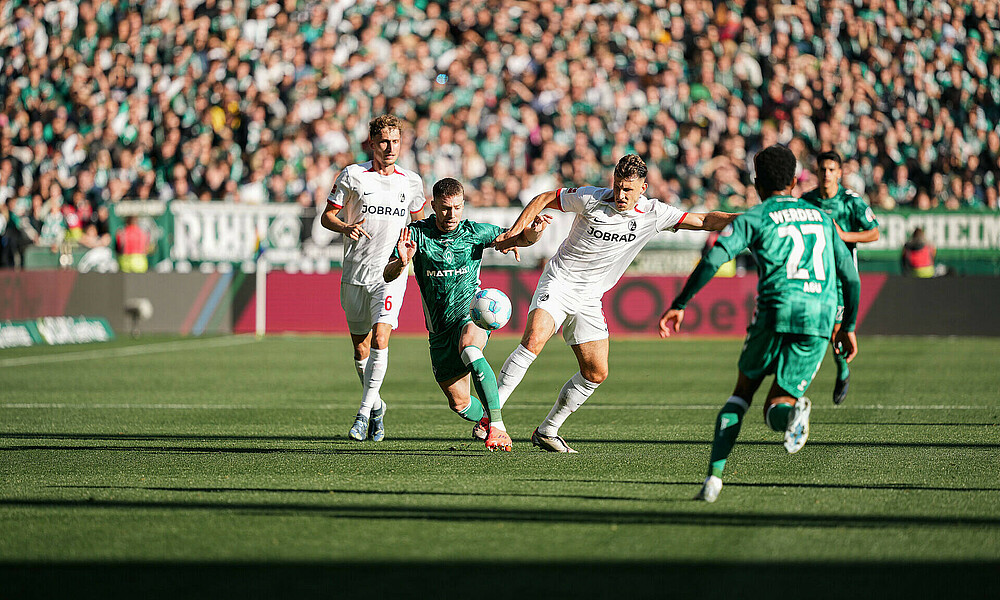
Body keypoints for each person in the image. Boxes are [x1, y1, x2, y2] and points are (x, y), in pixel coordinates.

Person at [491, 154, 737, 452]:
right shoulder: (591, 198)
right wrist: (516, 231)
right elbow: (544, 198)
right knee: (533, 341)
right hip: (559, 282)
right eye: (617, 186)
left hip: (590, 298)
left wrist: (744, 220)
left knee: (596, 373)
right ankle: (491, 419)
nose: (620, 194)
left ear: (643, 188)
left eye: (628, 189)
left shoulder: (654, 213)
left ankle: (547, 430)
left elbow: (705, 220)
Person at [658, 145, 860, 503]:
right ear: (794, 181)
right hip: (819, 316)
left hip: (775, 309)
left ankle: (713, 480)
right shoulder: (822, 218)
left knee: (741, 395)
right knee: (776, 408)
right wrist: (849, 326)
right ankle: (792, 412)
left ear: (757, 183)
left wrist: (680, 303)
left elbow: (714, 259)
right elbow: (851, 278)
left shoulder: (756, 217)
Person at [382, 177, 551, 451]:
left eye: (458, 207)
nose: (452, 214)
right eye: (446, 208)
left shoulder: (474, 232)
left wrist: (535, 232)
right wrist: (402, 262)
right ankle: (486, 417)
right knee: (459, 403)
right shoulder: (415, 234)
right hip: (439, 331)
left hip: (471, 316)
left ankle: (497, 426)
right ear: (434, 206)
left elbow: (518, 238)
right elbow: (387, 275)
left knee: (470, 347)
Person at [321, 115, 427, 442]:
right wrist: (345, 227)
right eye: (384, 142)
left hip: (391, 273)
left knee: (381, 338)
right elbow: (327, 217)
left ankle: (363, 413)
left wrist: (411, 252)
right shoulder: (353, 175)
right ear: (372, 143)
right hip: (355, 273)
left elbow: (420, 224)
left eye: (395, 141)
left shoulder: (411, 182)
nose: (390, 148)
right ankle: (378, 405)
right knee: (361, 349)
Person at [801, 151, 879, 404]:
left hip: (840, 278)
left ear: (840, 173)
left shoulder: (850, 201)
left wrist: (844, 236)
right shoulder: (806, 200)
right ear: (816, 172)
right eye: (822, 169)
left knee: (836, 329)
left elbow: (874, 232)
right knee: (812, 328)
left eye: (831, 169)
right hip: (813, 274)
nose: (826, 174)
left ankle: (842, 370)